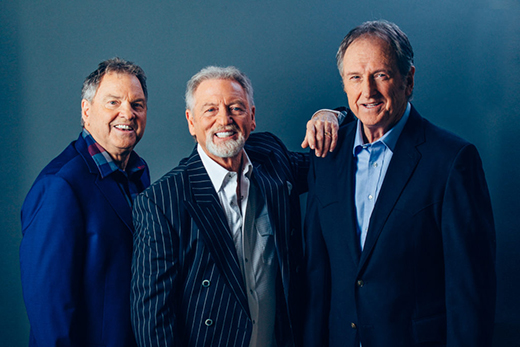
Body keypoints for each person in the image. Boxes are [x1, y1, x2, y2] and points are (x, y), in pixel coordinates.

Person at [303, 20, 496, 346]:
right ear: (344, 85)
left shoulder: (451, 161)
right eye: (355, 78)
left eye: (381, 74)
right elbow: (317, 277)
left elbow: (470, 293)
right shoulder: (326, 156)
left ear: (408, 80)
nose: (368, 91)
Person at [130, 66, 345, 347]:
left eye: (236, 108)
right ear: (191, 122)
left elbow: (327, 165)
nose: (225, 120)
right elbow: (152, 320)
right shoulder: (161, 201)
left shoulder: (272, 159)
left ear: (252, 118)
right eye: (210, 110)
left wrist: (331, 116)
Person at [20, 57, 150, 347]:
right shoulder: (60, 186)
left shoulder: (138, 175)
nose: (127, 113)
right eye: (113, 102)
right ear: (86, 110)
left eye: (136, 104)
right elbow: (49, 312)